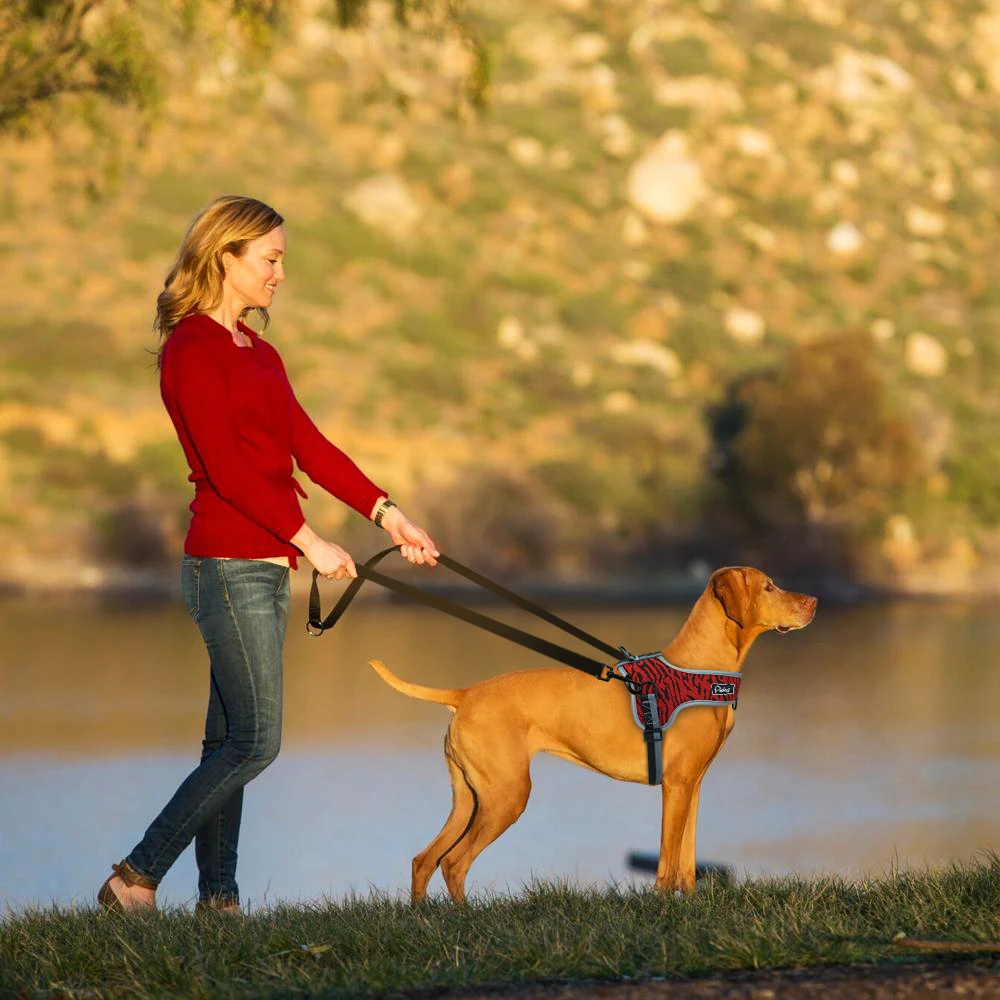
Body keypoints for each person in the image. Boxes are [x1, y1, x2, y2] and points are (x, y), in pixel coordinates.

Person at [97, 195, 438, 914]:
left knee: (227, 741)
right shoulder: (192, 349)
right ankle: (134, 878)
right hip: (227, 563)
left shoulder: (260, 353)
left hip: (261, 562)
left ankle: (219, 902)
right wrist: (308, 540)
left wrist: (389, 514)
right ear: (226, 256)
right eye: (270, 259)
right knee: (256, 742)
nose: (281, 274)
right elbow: (225, 467)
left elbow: (309, 448)